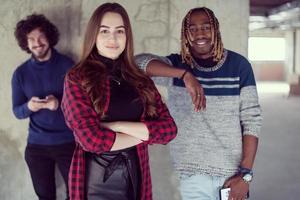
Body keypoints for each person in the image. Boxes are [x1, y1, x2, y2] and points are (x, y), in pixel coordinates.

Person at [136, 7, 262, 200]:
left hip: (232, 176)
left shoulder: (239, 66)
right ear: (186, 34)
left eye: (205, 27)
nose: (199, 33)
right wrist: (184, 75)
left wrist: (245, 176)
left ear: (216, 29)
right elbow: (137, 64)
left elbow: (252, 121)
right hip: (192, 175)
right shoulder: (176, 65)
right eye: (192, 29)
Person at [61, 3, 177, 200]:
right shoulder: (77, 78)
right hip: (96, 183)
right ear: (93, 35)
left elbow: (169, 130)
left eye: (119, 31)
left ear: (127, 36)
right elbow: (91, 140)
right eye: (104, 31)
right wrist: (146, 134)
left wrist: (115, 125)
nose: (112, 38)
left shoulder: (140, 79)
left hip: (136, 177)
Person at [12, 14, 75, 200]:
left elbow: (83, 106)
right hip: (37, 146)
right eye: (31, 39)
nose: (37, 43)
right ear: (25, 43)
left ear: (49, 37)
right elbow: (17, 111)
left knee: (77, 194)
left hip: (68, 143)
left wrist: (59, 104)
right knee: (45, 196)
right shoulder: (20, 73)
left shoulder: (68, 66)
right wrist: (30, 106)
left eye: (40, 37)